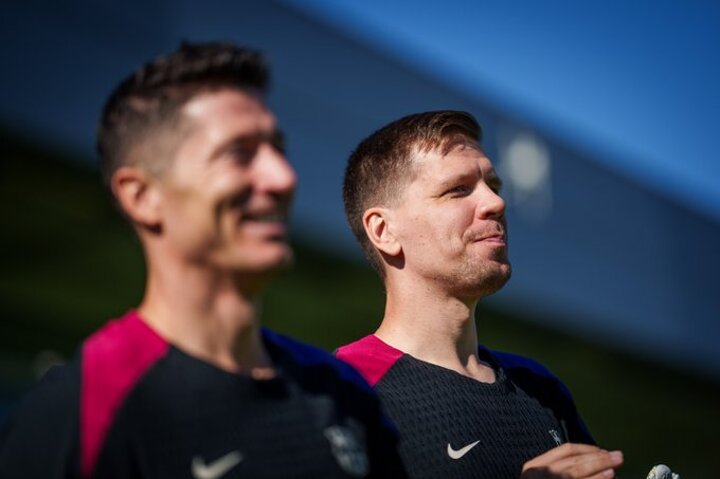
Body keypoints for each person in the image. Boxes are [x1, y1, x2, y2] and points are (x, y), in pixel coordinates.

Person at [0, 42, 406, 479]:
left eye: (278, 148)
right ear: (142, 196)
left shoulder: (341, 392)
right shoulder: (80, 410)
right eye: (238, 153)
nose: (284, 177)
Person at [336, 110, 624, 479]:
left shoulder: (539, 386)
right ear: (384, 231)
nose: (496, 203)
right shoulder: (340, 387)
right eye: (458, 189)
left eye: (494, 186)